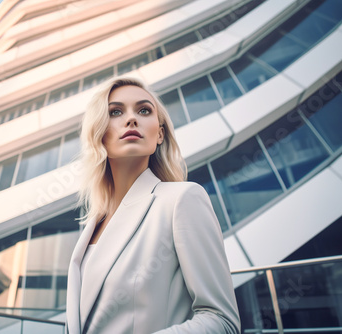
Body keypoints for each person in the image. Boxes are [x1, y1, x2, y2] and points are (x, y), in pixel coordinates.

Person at [65, 77, 240, 333]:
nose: (132, 119)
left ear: (159, 134)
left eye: (144, 110)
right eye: (115, 112)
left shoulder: (182, 200)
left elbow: (222, 321)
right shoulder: (92, 226)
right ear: (100, 132)